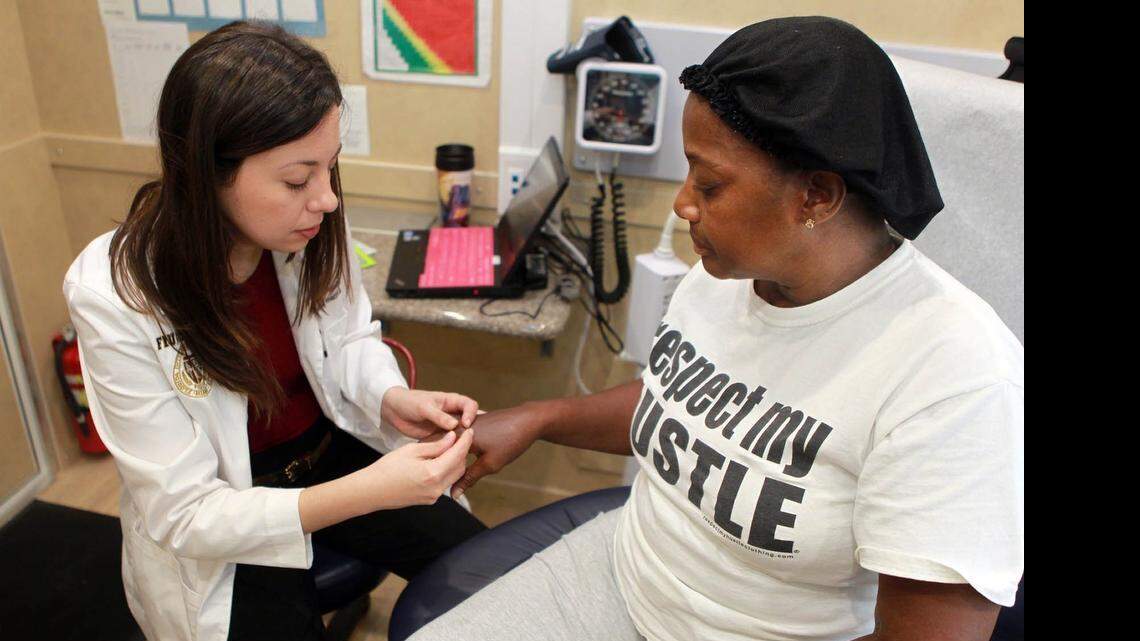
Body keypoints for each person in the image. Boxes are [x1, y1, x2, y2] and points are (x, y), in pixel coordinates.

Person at [416, 16, 1024, 641]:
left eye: (709, 183)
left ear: (816, 196)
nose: (683, 203)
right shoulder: (730, 273)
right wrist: (540, 418)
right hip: (620, 575)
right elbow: (685, 406)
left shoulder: (954, 375)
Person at [63, 21, 484, 641]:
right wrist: (372, 490)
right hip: (230, 511)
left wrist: (390, 397)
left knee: (491, 570)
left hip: (327, 453)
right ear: (206, 172)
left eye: (329, 169)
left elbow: (347, 338)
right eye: (297, 179)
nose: (327, 199)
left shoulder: (306, 228)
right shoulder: (114, 293)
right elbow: (186, 513)